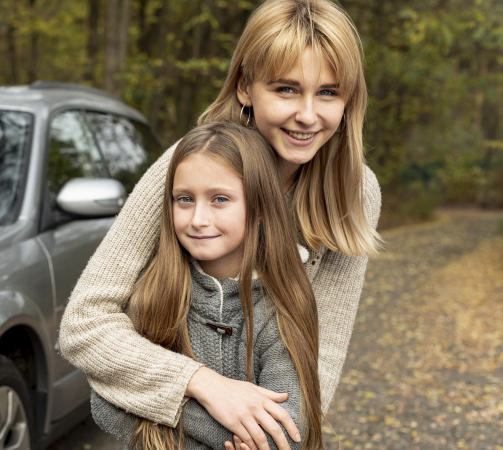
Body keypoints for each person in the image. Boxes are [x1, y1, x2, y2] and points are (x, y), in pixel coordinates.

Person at [58, 0, 382, 449]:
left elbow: (319, 357)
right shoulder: (188, 167)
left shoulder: (354, 190)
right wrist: (205, 384)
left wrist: (277, 438)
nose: (308, 115)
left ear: (349, 98)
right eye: (286, 89)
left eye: (327, 92)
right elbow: (84, 324)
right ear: (246, 87)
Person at [89, 121, 323, 450]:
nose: (198, 219)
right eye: (184, 199)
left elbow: (285, 431)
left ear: (259, 208)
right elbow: (104, 398)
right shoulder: (154, 293)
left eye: (219, 199)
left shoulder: (280, 305)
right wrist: (219, 417)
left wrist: (159, 408)